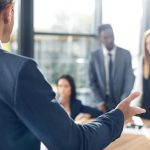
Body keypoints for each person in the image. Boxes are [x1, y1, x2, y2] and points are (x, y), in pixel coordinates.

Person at [0, 1, 146, 150]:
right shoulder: (19, 71)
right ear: (8, 12)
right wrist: (119, 116)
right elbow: (74, 142)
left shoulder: (125, 55)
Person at [89, 24, 135, 112]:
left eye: (111, 36)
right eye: (106, 37)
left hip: (120, 101)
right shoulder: (94, 56)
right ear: (100, 39)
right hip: (101, 102)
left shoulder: (125, 54)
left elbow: (129, 79)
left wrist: (124, 101)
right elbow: (91, 82)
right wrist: (99, 101)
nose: (110, 40)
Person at [135, 29, 150, 119]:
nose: (149, 46)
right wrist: (132, 108)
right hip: (146, 109)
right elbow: (138, 88)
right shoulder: (143, 60)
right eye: (147, 43)